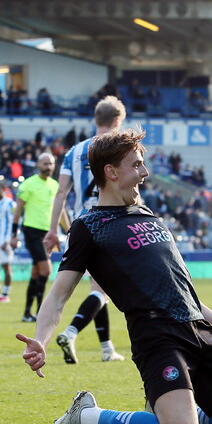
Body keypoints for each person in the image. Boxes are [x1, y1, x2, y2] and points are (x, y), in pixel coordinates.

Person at [17, 128, 212, 424]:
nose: (145, 173)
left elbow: (180, 288)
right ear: (110, 172)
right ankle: (87, 415)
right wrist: (40, 340)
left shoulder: (150, 216)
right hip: (157, 336)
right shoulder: (88, 226)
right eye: (136, 165)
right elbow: (58, 295)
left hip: (201, 332)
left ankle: (176, 410)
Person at [43, 96, 126, 363]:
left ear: (95, 120)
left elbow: (61, 193)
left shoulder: (74, 151)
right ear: (117, 121)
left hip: (81, 226)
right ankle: (71, 331)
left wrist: (53, 229)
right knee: (102, 292)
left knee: (95, 288)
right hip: (111, 224)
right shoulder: (119, 149)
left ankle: (106, 348)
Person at [10, 152, 61, 323]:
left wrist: (69, 230)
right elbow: (17, 212)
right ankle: (41, 313)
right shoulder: (28, 184)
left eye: (51, 163)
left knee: (36, 272)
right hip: (31, 230)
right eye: (45, 163)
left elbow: (59, 212)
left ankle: (27, 313)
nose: (48, 166)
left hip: (48, 233)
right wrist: (13, 234)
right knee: (46, 270)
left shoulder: (55, 185)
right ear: (38, 164)